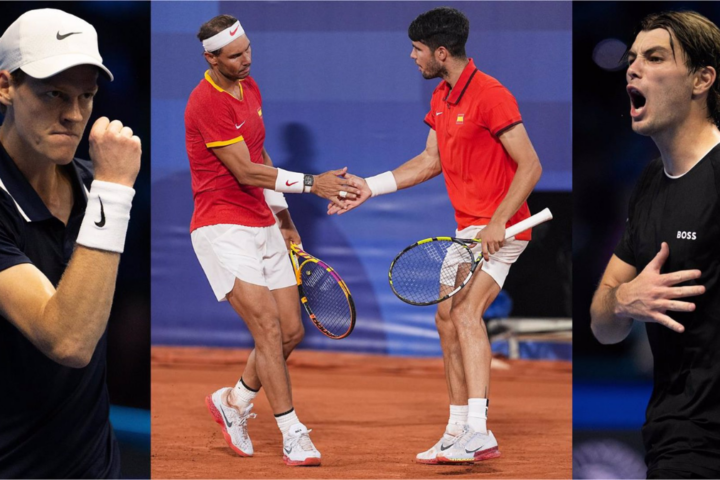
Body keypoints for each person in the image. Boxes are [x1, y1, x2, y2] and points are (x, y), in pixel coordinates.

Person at [329, 7, 542, 464]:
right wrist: (370, 186)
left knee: (465, 312)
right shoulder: (443, 97)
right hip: (467, 231)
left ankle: (481, 433)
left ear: (440, 52)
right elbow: (429, 161)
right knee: (445, 320)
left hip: (503, 229)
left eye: (418, 49)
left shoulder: (491, 94)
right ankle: (457, 427)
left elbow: (531, 164)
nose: (412, 57)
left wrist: (499, 220)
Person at [185, 14, 359, 467]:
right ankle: (291, 433)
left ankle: (235, 402)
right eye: (234, 55)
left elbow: (259, 153)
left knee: (290, 332)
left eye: (247, 50)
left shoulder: (250, 87)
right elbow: (242, 171)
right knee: (266, 328)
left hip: (262, 221)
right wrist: (312, 184)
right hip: (221, 227)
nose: (245, 60)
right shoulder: (206, 102)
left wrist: (282, 216)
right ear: (210, 58)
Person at [0, 9, 141, 479]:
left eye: (86, 95)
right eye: (53, 93)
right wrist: (116, 191)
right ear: (5, 88)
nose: (74, 114)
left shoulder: (93, 187)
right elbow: (69, 340)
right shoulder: (108, 192)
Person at [589, 11, 720, 479]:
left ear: (702, 78)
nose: (633, 67)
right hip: (675, 437)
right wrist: (624, 299)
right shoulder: (648, 183)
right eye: (633, 58)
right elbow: (602, 323)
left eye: (655, 57)